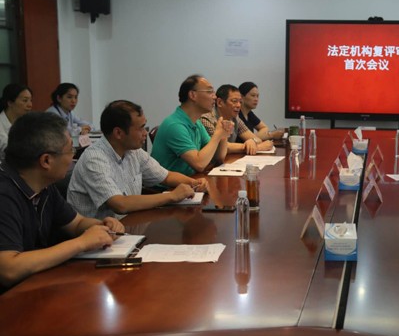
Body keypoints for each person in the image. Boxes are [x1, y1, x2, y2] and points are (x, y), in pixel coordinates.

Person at [0, 112, 125, 290]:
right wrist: (81, 243)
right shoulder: (5, 193)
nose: (72, 157)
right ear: (46, 161)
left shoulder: (44, 185)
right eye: (70, 150)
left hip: (36, 285)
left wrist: (101, 226)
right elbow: (8, 269)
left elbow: (76, 223)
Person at [67, 100, 208, 219]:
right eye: (141, 128)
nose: (145, 133)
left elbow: (166, 176)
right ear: (118, 133)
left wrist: (194, 183)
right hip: (95, 235)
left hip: (129, 226)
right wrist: (172, 196)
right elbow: (120, 204)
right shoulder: (94, 159)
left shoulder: (134, 152)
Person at [151, 74, 231, 175]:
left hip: (190, 179)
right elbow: (199, 164)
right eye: (209, 91)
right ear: (193, 95)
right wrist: (217, 135)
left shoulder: (196, 122)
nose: (215, 97)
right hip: (171, 184)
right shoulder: (175, 125)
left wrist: (223, 135)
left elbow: (218, 157)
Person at [201, 84, 273, 155]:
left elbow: (255, 138)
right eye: (234, 101)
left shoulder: (235, 118)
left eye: (240, 102)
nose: (239, 105)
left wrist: (252, 141)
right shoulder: (206, 119)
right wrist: (257, 147)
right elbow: (219, 147)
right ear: (220, 102)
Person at [0, 84, 33, 163]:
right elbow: (10, 150)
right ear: (10, 102)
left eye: (31, 100)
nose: (30, 105)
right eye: (25, 100)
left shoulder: (27, 122)